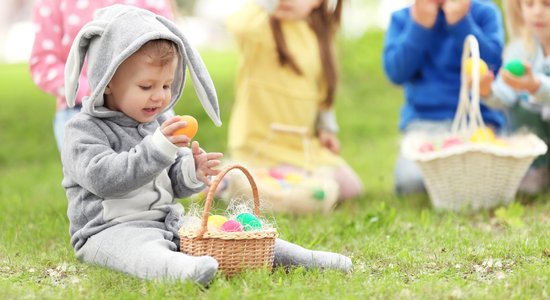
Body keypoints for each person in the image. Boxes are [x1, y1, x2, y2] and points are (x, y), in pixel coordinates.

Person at [62, 5, 352, 285]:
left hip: (166, 222)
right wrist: (157, 150)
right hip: (108, 230)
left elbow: (173, 182)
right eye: (146, 87)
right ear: (107, 81)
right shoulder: (82, 130)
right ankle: (181, 270)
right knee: (143, 252)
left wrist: (191, 171)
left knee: (226, 234)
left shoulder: (158, 121)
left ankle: (301, 258)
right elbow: (105, 180)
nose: (159, 97)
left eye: (166, 86)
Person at [225, 0, 363, 202]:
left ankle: (239, 180)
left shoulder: (316, 34)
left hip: (301, 147)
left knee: (350, 188)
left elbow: (323, 91)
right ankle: (232, 180)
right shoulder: (261, 27)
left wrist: (326, 127)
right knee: (302, 191)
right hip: (262, 146)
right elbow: (239, 25)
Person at [383, 0, 506, 195]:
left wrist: (461, 23)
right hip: (424, 125)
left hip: (478, 122)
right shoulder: (403, 18)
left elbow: (493, 63)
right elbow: (396, 72)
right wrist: (420, 26)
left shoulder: (484, 12)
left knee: (486, 180)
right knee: (411, 182)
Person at [29, 0, 176, 151]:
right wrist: (91, 89)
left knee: (167, 162)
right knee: (97, 167)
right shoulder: (52, 3)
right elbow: (43, 61)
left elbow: (169, 48)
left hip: (152, 109)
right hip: (79, 109)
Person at [479, 0, 550, 195]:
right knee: (521, 108)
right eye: (529, 4)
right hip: (537, 135)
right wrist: (486, 90)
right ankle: (537, 168)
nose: (537, 12)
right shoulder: (519, 49)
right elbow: (505, 96)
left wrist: (536, 86)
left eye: (547, 4)